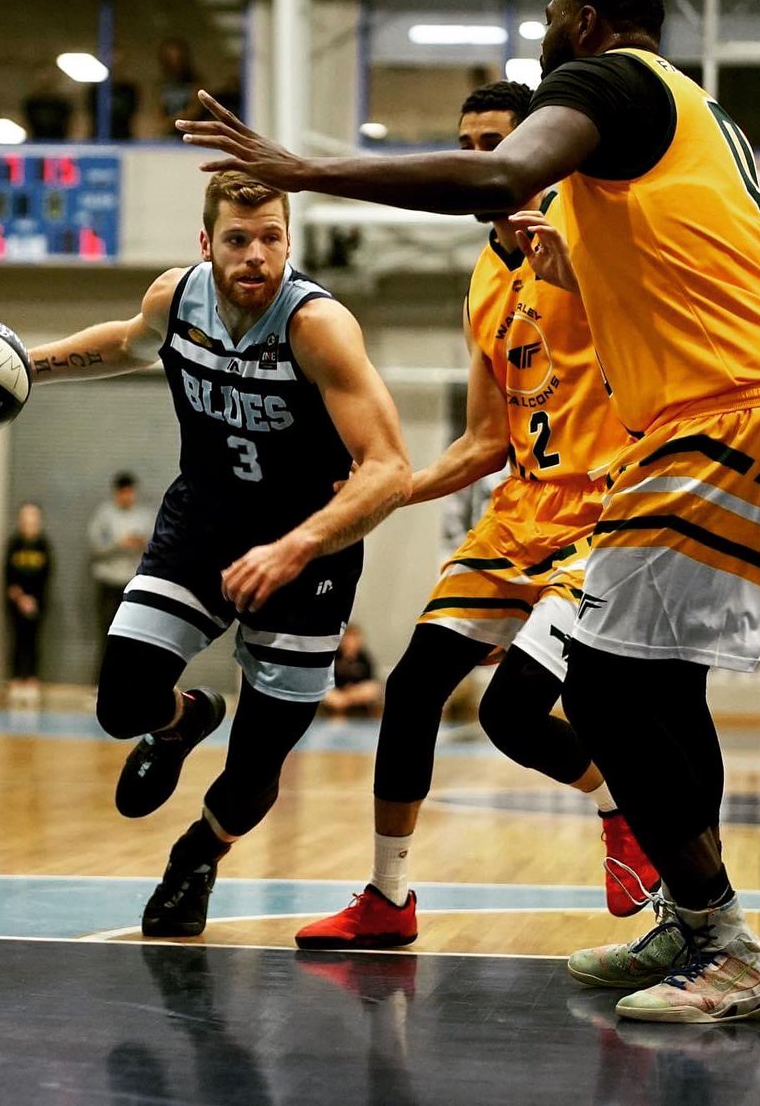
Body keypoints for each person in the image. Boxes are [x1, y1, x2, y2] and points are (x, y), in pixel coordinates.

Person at [176, 0, 760, 1024]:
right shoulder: (682, 120)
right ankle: (692, 916)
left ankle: (725, 942)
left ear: (582, 22)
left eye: (543, 24)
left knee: (606, 686)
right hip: (735, 410)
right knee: (651, 688)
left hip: (724, 413)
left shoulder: (613, 81)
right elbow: (657, 262)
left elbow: (496, 179)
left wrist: (303, 171)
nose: (538, 44)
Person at [295, 82, 655, 952]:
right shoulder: (486, 280)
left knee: (511, 715)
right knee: (414, 686)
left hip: (604, 516)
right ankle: (388, 898)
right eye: (465, 145)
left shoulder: (595, 233)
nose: (478, 161)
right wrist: (386, 491)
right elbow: (484, 441)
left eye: (495, 143)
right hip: (520, 510)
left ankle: (625, 811)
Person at [25, 170, 410, 938]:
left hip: (310, 553)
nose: (256, 256)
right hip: (204, 522)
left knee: (256, 768)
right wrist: (26, 366)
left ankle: (198, 854)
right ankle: (181, 718)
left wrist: (297, 545)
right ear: (207, 245)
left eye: (272, 238)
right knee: (121, 700)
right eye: (238, 239)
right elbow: (128, 343)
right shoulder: (178, 298)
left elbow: (391, 467)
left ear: (289, 242)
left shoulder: (316, 326)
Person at [87, 473, 155, 659]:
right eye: (123, 492)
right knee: (107, 632)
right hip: (108, 581)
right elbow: (94, 547)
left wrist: (140, 543)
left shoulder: (144, 516)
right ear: (117, 493)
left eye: (130, 492)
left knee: (133, 634)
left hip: (132, 583)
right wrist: (119, 543)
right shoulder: (104, 514)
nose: (127, 496)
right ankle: (102, 679)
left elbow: (156, 546)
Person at [4, 501, 53, 705]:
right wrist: (19, 597)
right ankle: (16, 679)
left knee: (33, 640)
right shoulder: (14, 543)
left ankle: (32, 679)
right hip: (17, 601)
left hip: (37, 601)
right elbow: (7, 574)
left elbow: (47, 574)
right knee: (18, 639)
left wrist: (34, 600)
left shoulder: (43, 544)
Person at [321, 623, 382, 715]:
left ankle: (344, 704)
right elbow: (325, 680)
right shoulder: (334, 657)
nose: (351, 642)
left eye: (355, 639)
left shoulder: (364, 658)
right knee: (328, 694)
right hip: (337, 693)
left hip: (355, 693)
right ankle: (340, 709)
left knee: (373, 689)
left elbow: (370, 681)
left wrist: (353, 692)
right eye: (349, 638)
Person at [157, 39, 201, 136]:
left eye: (177, 58)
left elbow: (195, 110)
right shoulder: (161, 85)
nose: (174, 63)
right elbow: (157, 113)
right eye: (169, 59)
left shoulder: (196, 83)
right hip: (167, 136)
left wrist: (173, 121)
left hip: (191, 133)